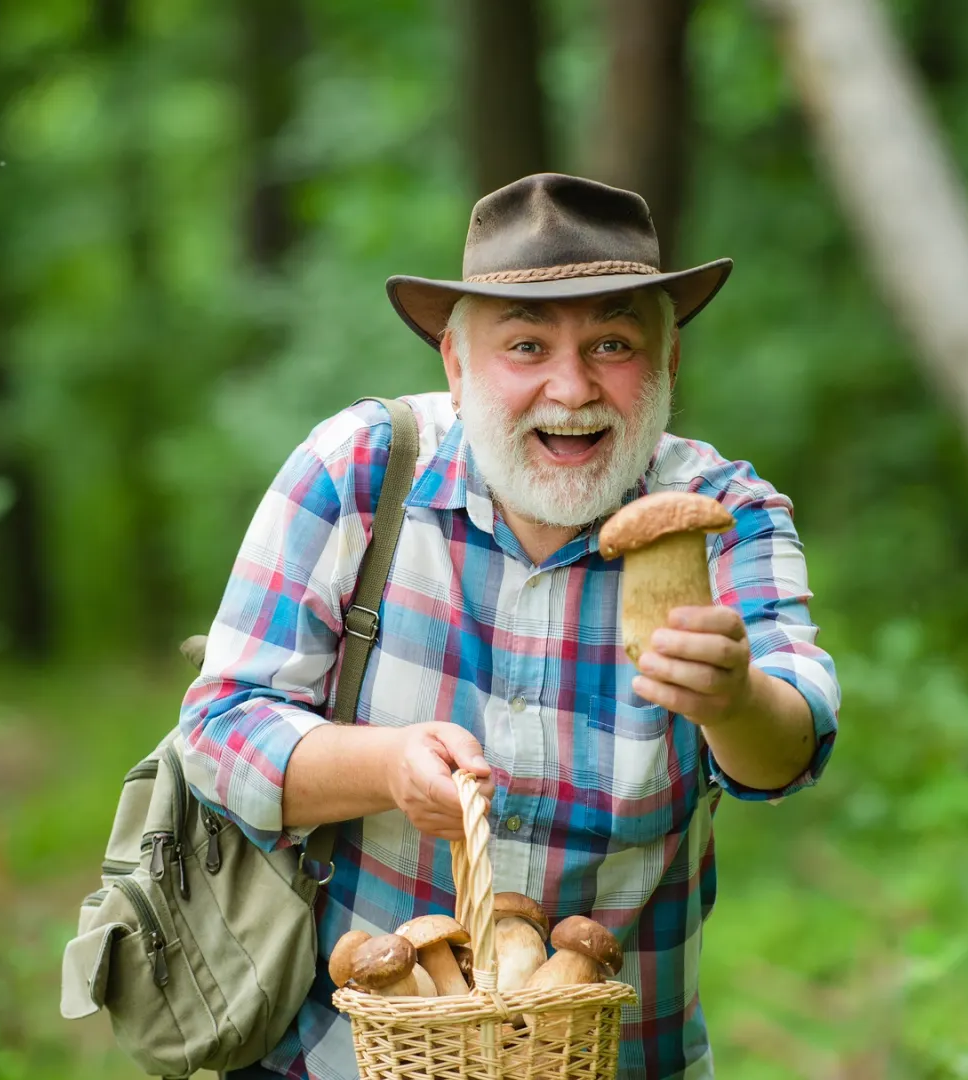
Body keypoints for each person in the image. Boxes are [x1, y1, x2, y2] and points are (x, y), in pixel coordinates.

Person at [180, 172, 841, 1080]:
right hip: (344, 1058)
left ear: (669, 359)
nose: (570, 389)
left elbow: (792, 744)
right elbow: (216, 729)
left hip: (615, 1060)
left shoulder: (725, 512)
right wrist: (384, 766)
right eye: (526, 345)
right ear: (455, 363)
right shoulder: (362, 473)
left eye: (613, 343)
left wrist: (733, 700)